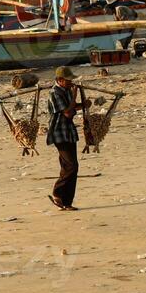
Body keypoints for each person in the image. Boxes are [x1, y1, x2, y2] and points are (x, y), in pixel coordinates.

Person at [46, 66, 86, 211]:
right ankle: (57, 192)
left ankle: (66, 202)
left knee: (68, 167)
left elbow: (72, 108)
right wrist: (75, 97)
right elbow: (68, 113)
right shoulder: (54, 93)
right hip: (59, 132)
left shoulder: (66, 90)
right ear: (59, 80)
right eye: (68, 81)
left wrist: (83, 105)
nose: (71, 83)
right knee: (72, 166)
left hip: (68, 132)